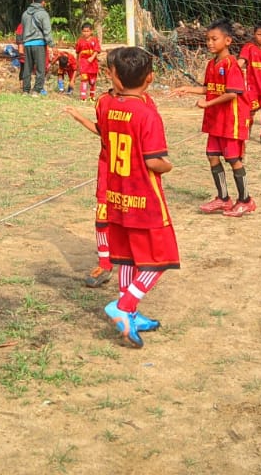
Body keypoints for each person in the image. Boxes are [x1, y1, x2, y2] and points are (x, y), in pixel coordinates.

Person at [93, 46, 177, 347]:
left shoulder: (105, 104)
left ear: (115, 78)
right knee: (160, 260)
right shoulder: (147, 114)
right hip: (145, 199)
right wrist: (169, 165)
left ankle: (131, 313)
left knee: (127, 257)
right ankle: (125, 306)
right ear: (150, 78)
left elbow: (102, 132)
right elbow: (155, 161)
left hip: (117, 195)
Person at [177, 19, 254, 216]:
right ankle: (223, 198)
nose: (210, 43)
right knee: (212, 156)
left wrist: (207, 103)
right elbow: (208, 88)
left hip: (232, 121)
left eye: (214, 39)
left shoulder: (232, 65)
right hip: (216, 121)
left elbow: (232, 93)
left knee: (233, 159)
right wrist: (188, 89)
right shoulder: (211, 64)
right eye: (207, 39)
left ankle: (246, 200)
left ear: (227, 41)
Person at [63, 48, 123, 287]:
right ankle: (105, 263)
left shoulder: (142, 102)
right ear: (110, 73)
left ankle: (134, 259)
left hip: (131, 172)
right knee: (102, 213)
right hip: (107, 168)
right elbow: (102, 130)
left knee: (129, 216)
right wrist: (78, 116)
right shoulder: (103, 101)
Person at [18, 0, 53, 96]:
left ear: (32, 1)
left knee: (27, 68)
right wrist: (51, 44)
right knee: (40, 68)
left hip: (27, 44)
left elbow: (22, 30)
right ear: (43, 3)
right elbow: (47, 31)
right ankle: (36, 90)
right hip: (39, 44)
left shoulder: (25, 14)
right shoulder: (43, 14)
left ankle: (25, 90)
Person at [75, 22, 102, 101]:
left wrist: (92, 57)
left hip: (93, 64)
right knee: (84, 79)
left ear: (91, 31)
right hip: (84, 63)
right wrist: (77, 63)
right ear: (82, 32)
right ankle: (83, 97)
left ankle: (92, 96)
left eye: (87, 31)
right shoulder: (80, 41)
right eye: (84, 31)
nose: (86, 33)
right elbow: (77, 52)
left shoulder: (94, 40)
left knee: (92, 81)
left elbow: (97, 50)